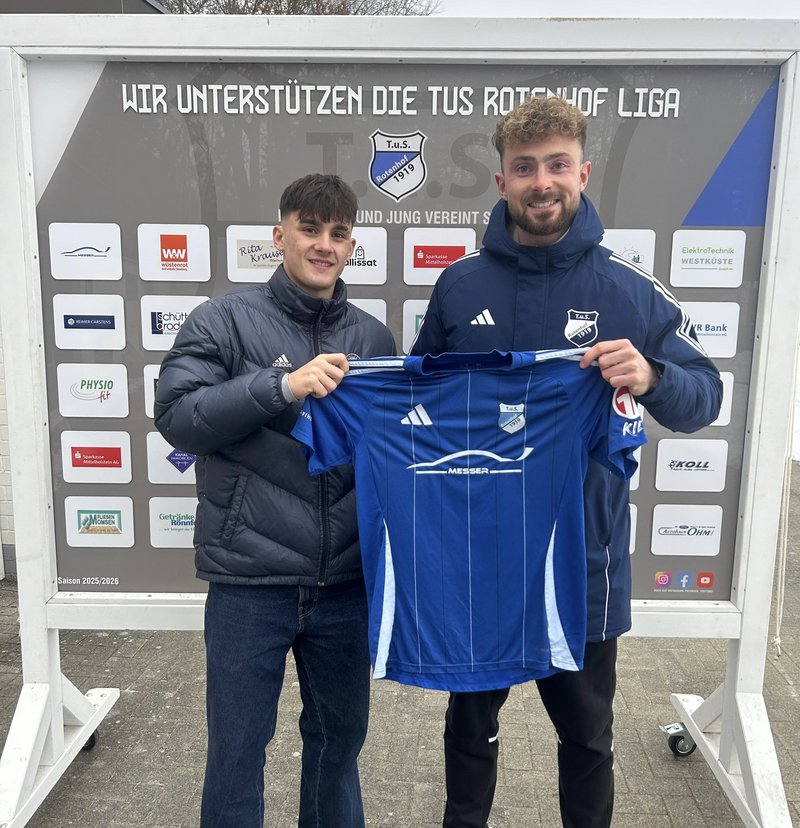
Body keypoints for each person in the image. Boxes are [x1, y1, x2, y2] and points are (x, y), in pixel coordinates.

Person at [410, 96, 722, 828]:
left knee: (586, 738)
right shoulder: (459, 285)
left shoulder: (629, 289)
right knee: (469, 729)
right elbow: (416, 398)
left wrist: (652, 375)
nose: (541, 182)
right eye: (524, 168)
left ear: (582, 173)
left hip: (585, 566)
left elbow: (703, 396)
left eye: (557, 165)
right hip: (481, 563)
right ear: (501, 182)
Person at [154, 173, 395, 828]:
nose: (323, 245)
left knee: (339, 747)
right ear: (279, 235)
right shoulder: (223, 320)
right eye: (309, 229)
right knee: (236, 753)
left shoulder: (374, 339)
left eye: (338, 233)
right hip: (249, 584)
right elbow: (177, 416)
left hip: (345, 585)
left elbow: (394, 451)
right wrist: (281, 387)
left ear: (352, 246)